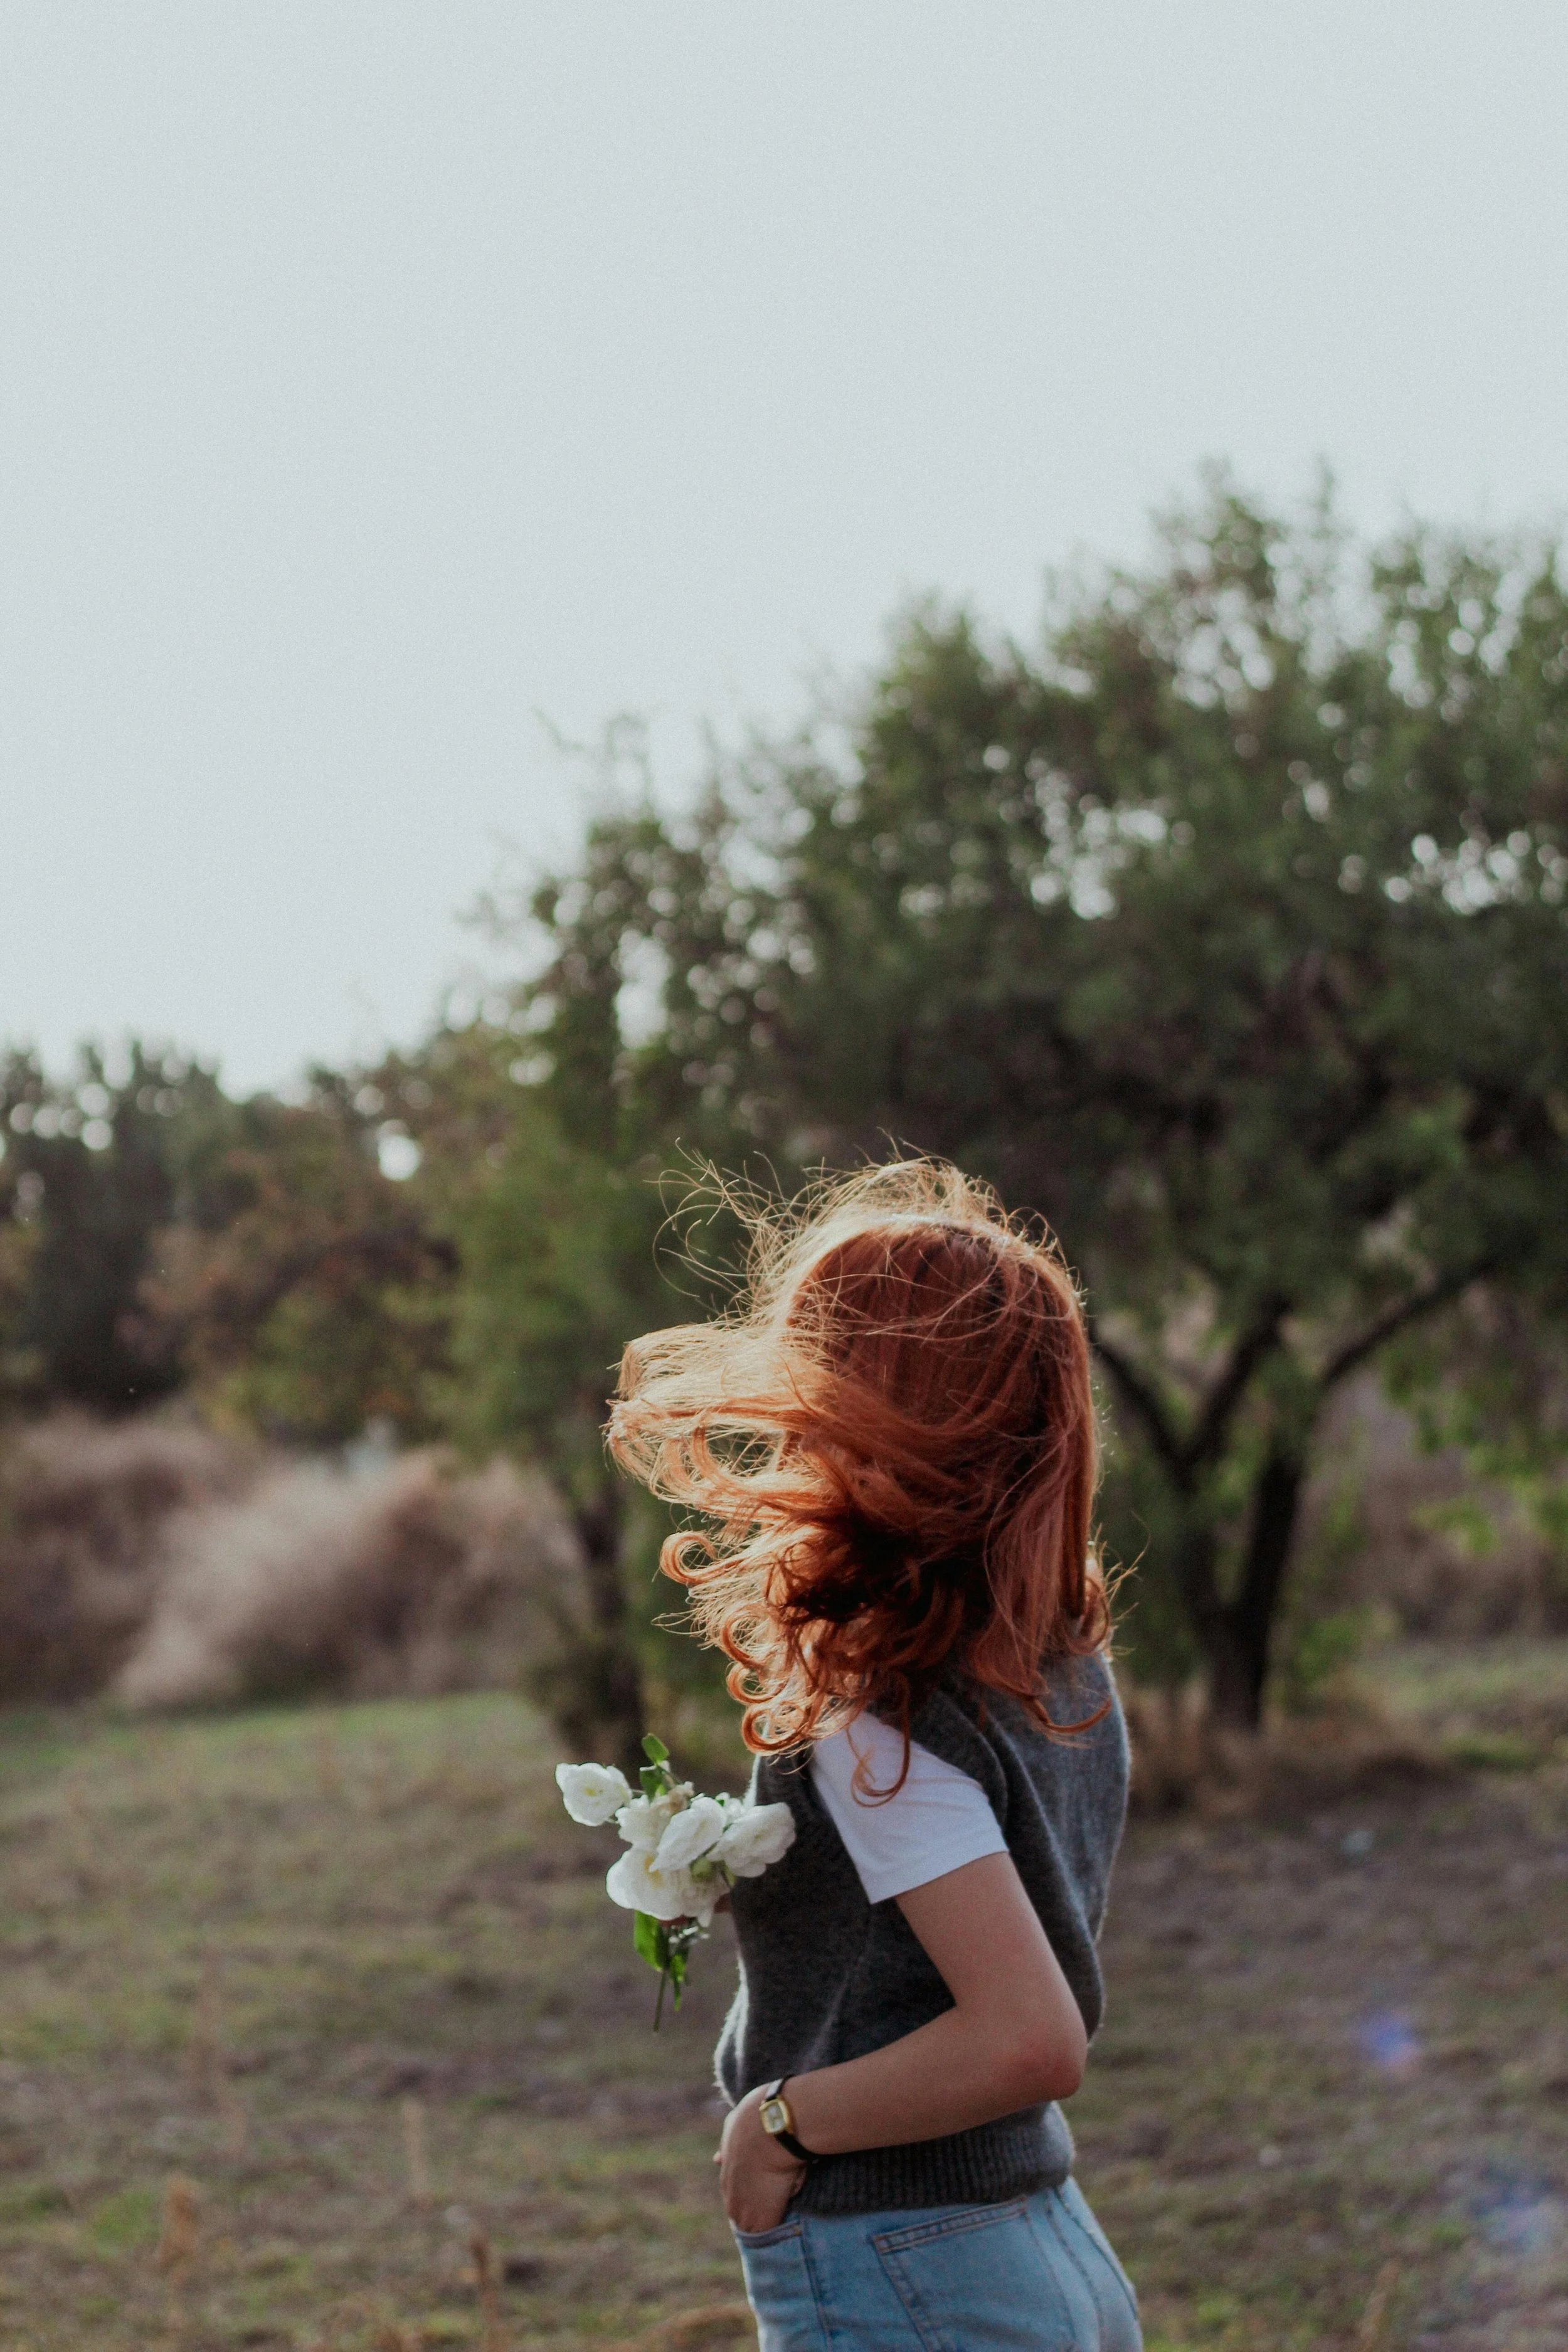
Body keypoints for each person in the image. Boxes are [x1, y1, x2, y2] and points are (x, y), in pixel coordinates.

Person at [608, 1159, 1140, 2352]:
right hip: (1046, 2241)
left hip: (916, 2266)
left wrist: (781, 2121)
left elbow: (1028, 2037)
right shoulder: (1061, 1668)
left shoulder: (884, 1714)